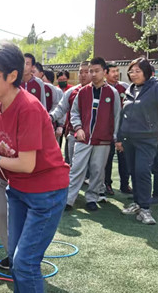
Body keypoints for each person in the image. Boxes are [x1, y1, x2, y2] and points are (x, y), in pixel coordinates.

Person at [0, 42, 70, 293]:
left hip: (45, 193)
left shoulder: (29, 107)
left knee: (25, 261)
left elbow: (28, 164)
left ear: (12, 75)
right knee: (14, 256)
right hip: (18, 190)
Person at [116, 57, 158, 225]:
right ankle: (137, 202)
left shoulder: (157, 88)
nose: (133, 74)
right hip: (129, 138)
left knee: (142, 171)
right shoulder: (130, 90)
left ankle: (145, 209)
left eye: (137, 71)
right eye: (131, 71)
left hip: (147, 139)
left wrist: (154, 127)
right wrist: (119, 138)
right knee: (133, 171)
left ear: (147, 72)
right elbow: (123, 115)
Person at [64, 57, 121, 212]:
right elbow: (74, 113)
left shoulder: (112, 93)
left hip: (103, 140)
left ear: (104, 72)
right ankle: (68, 200)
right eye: (91, 71)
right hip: (83, 138)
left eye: (97, 71)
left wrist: (116, 137)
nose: (93, 74)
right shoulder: (83, 92)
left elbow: (117, 116)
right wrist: (78, 128)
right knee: (76, 169)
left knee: (97, 170)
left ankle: (92, 198)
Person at [50, 61, 90, 164]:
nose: (83, 75)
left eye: (87, 72)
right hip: (74, 135)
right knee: (74, 167)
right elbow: (60, 108)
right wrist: (50, 117)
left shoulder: (102, 92)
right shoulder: (72, 92)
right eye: (81, 72)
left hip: (94, 138)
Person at [104, 63, 131, 194]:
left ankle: (125, 185)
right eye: (113, 71)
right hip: (107, 130)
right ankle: (107, 184)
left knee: (124, 158)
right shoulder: (102, 89)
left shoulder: (124, 87)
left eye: (117, 71)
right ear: (105, 73)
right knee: (107, 159)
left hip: (123, 129)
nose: (116, 74)